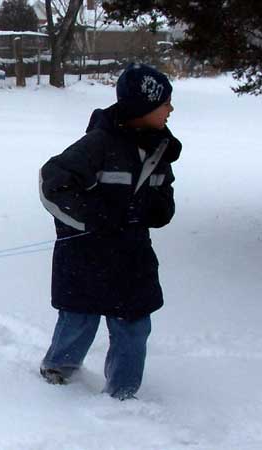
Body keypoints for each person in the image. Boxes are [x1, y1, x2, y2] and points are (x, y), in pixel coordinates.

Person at [38, 63, 182, 400]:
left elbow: (164, 196)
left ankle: (123, 393)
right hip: (86, 254)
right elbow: (52, 184)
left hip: (133, 255)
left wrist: (157, 209)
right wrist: (92, 219)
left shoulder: (160, 150)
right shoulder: (98, 145)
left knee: (134, 325)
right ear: (142, 107)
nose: (171, 109)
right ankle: (57, 374)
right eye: (165, 103)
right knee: (79, 318)